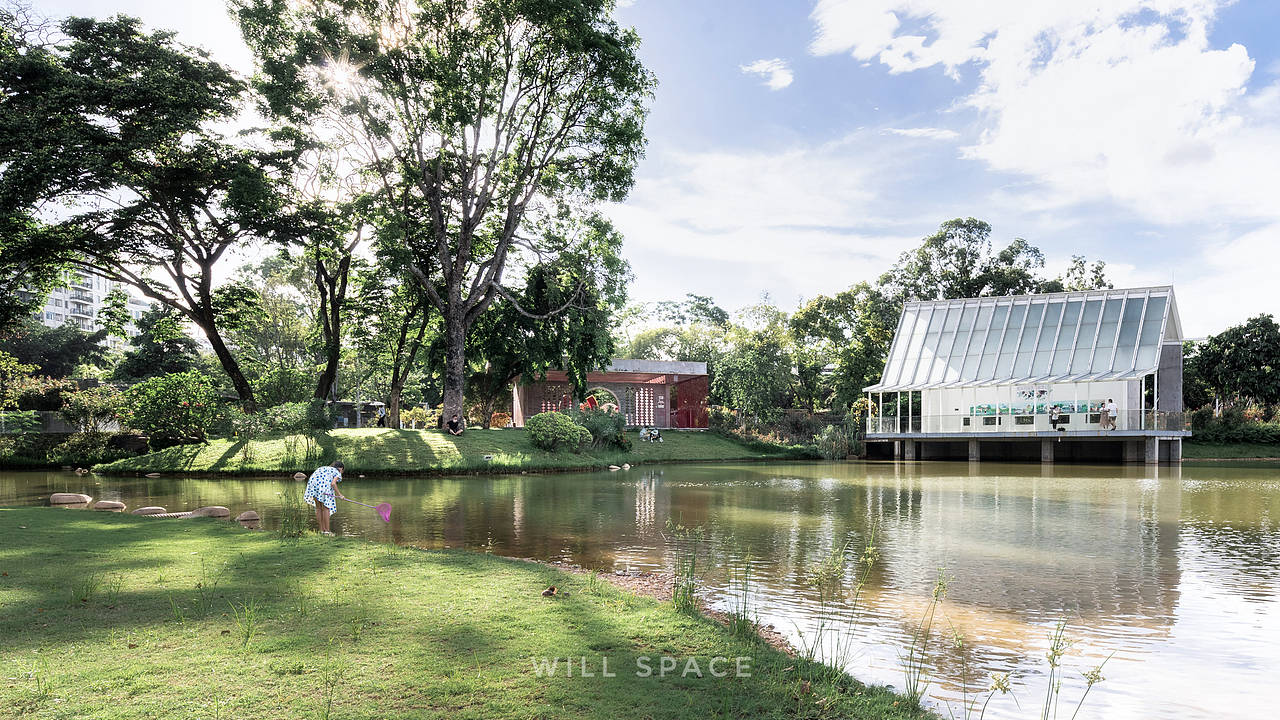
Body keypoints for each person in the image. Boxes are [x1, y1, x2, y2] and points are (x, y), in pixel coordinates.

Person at [303, 460, 345, 536]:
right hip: (323, 486)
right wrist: (339, 495)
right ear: (341, 469)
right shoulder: (336, 472)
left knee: (319, 508)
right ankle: (327, 531)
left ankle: (322, 530)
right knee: (326, 508)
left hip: (313, 485)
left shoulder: (324, 468)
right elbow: (333, 483)